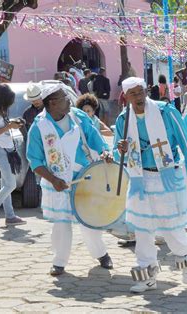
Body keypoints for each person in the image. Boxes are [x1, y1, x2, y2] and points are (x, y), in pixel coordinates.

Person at [114, 77, 187, 293]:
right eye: (133, 93)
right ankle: (147, 276)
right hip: (139, 180)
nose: (139, 96)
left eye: (140, 91)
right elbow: (118, 153)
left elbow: (185, 140)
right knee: (142, 230)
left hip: (166, 177)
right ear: (126, 97)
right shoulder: (123, 120)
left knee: (171, 229)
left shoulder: (165, 111)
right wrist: (119, 150)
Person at [26, 83, 113, 276]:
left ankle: (101, 254)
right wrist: (53, 179)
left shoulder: (78, 116)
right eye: (65, 98)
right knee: (61, 224)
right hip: (56, 182)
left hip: (83, 178)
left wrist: (106, 152)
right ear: (53, 103)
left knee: (88, 221)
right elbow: (34, 160)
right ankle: (59, 262)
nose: (69, 100)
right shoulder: (39, 127)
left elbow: (95, 138)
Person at [0, 84, 26, 226]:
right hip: (0, 150)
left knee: (5, 184)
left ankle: (10, 215)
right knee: (10, 185)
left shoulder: (2, 110)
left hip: (8, 150)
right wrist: (9, 126)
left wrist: (12, 123)